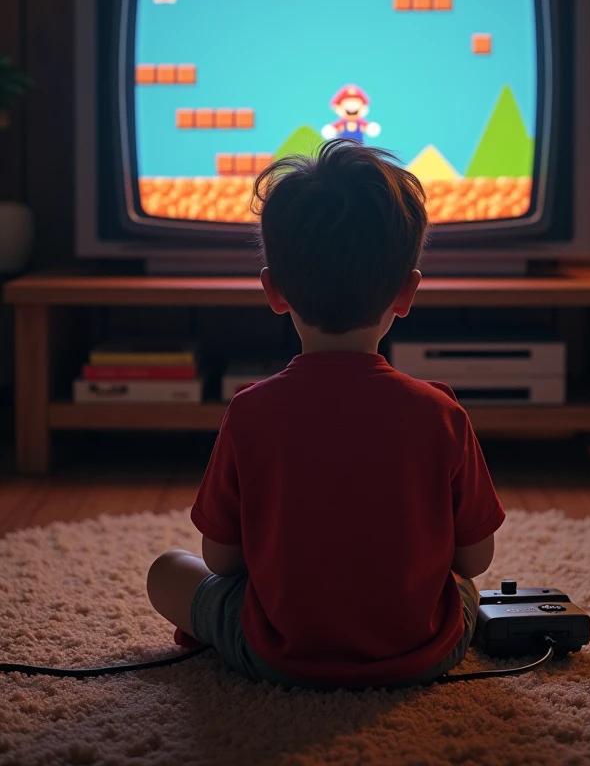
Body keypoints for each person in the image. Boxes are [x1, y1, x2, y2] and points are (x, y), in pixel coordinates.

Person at [147, 139, 505, 690]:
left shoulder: (250, 412)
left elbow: (219, 559)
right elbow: (475, 559)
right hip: (421, 652)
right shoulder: (441, 414)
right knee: (460, 588)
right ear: (407, 293)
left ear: (274, 291)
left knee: (166, 572)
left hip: (277, 655)